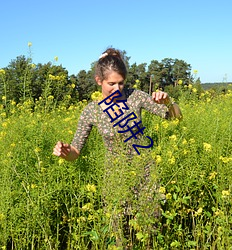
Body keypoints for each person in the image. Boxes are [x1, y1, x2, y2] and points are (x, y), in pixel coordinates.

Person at [53, 47, 182, 247]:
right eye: (111, 84)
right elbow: (76, 151)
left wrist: (169, 102)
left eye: (121, 83)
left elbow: (175, 118)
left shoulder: (135, 96)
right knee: (120, 237)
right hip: (115, 180)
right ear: (99, 81)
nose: (117, 89)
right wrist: (65, 152)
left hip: (146, 175)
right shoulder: (91, 111)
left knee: (150, 235)